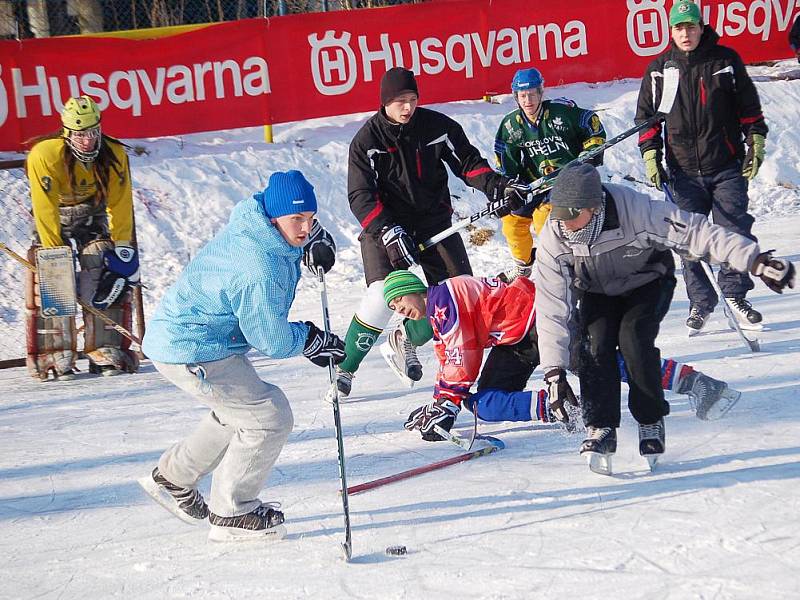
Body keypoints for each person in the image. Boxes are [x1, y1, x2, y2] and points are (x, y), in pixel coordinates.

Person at [535, 162, 794, 474]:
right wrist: (553, 372)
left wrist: (753, 260)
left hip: (647, 281)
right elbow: (551, 305)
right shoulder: (555, 236)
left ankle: (650, 419)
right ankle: (600, 428)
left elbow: (699, 233)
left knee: (633, 339)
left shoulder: (638, 211)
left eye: (572, 215)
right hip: (597, 291)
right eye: (560, 214)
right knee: (594, 345)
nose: (565, 224)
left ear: (595, 205)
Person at [139, 170, 344, 542]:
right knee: (268, 416)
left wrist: (308, 242)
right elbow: (271, 339)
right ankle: (232, 512)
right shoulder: (257, 267)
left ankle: (173, 478)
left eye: (311, 219)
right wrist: (311, 340)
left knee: (237, 412)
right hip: (192, 348)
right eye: (297, 220)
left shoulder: (260, 230)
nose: (304, 227)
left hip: (200, 341)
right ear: (273, 216)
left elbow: (292, 238)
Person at [385, 270, 746, 443]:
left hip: (539, 318)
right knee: (484, 405)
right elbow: (451, 355)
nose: (400, 309)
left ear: (413, 290)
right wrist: (439, 403)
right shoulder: (437, 312)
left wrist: (446, 405)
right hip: (515, 339)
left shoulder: (442, 299)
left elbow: (461, 357)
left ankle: (696, 383)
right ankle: (563, 408)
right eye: (393, 308)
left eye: (399, 300)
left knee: (605, 363)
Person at [334, 66, 522, 399]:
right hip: (386, 228)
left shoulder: (438, 127)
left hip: (434, 223)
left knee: (458, 298)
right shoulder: (366, 141)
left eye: (412, 99)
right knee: (381, 295)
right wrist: (387, 230)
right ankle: (345, 367)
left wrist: (497, 186)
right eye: (399, 102)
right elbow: (360, 196)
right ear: (384, 103)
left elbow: (468, 163)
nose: (407, 108)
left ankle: (406, 337)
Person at [636, 0, 769, 334]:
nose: (686, 34)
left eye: (691, 27)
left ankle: (736, 295)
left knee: (734, 232)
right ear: (671, 32)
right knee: (689, 242)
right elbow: (648, 119)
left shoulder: (725, 60)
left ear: (701, 27)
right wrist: (651, 153)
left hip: (725, 165)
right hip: (681, 171)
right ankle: (701, 303)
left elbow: (749, 108)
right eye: (679, 28)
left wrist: (756, 140)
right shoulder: (659, 69)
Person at [24, 95, 139, 380]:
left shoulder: (113, 153)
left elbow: (120, 201)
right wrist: (53, 252)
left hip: (92, 214)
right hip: (56, 216)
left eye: (92, 132)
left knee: (102, 262)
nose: (87, 141)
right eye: (79, 134)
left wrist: (123, 247)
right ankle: (55, 352)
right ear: (67, 133)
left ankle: (104, 348)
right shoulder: (44, 154)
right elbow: (44, 205)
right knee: (54, 271)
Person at [494, 67, 606, 281]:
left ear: (541, 92)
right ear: (516, 96)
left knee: (544, 219)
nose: (528, 100)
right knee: (511, 221)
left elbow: (592, 124)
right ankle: (523, 267)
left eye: (532, 94)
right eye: (522, 95)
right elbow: (505, 159)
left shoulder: (560, 112)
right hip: (534, 183)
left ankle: (561, 265)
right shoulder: (510, 126)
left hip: (566, 181)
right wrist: (509, 185)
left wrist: (591, 151)